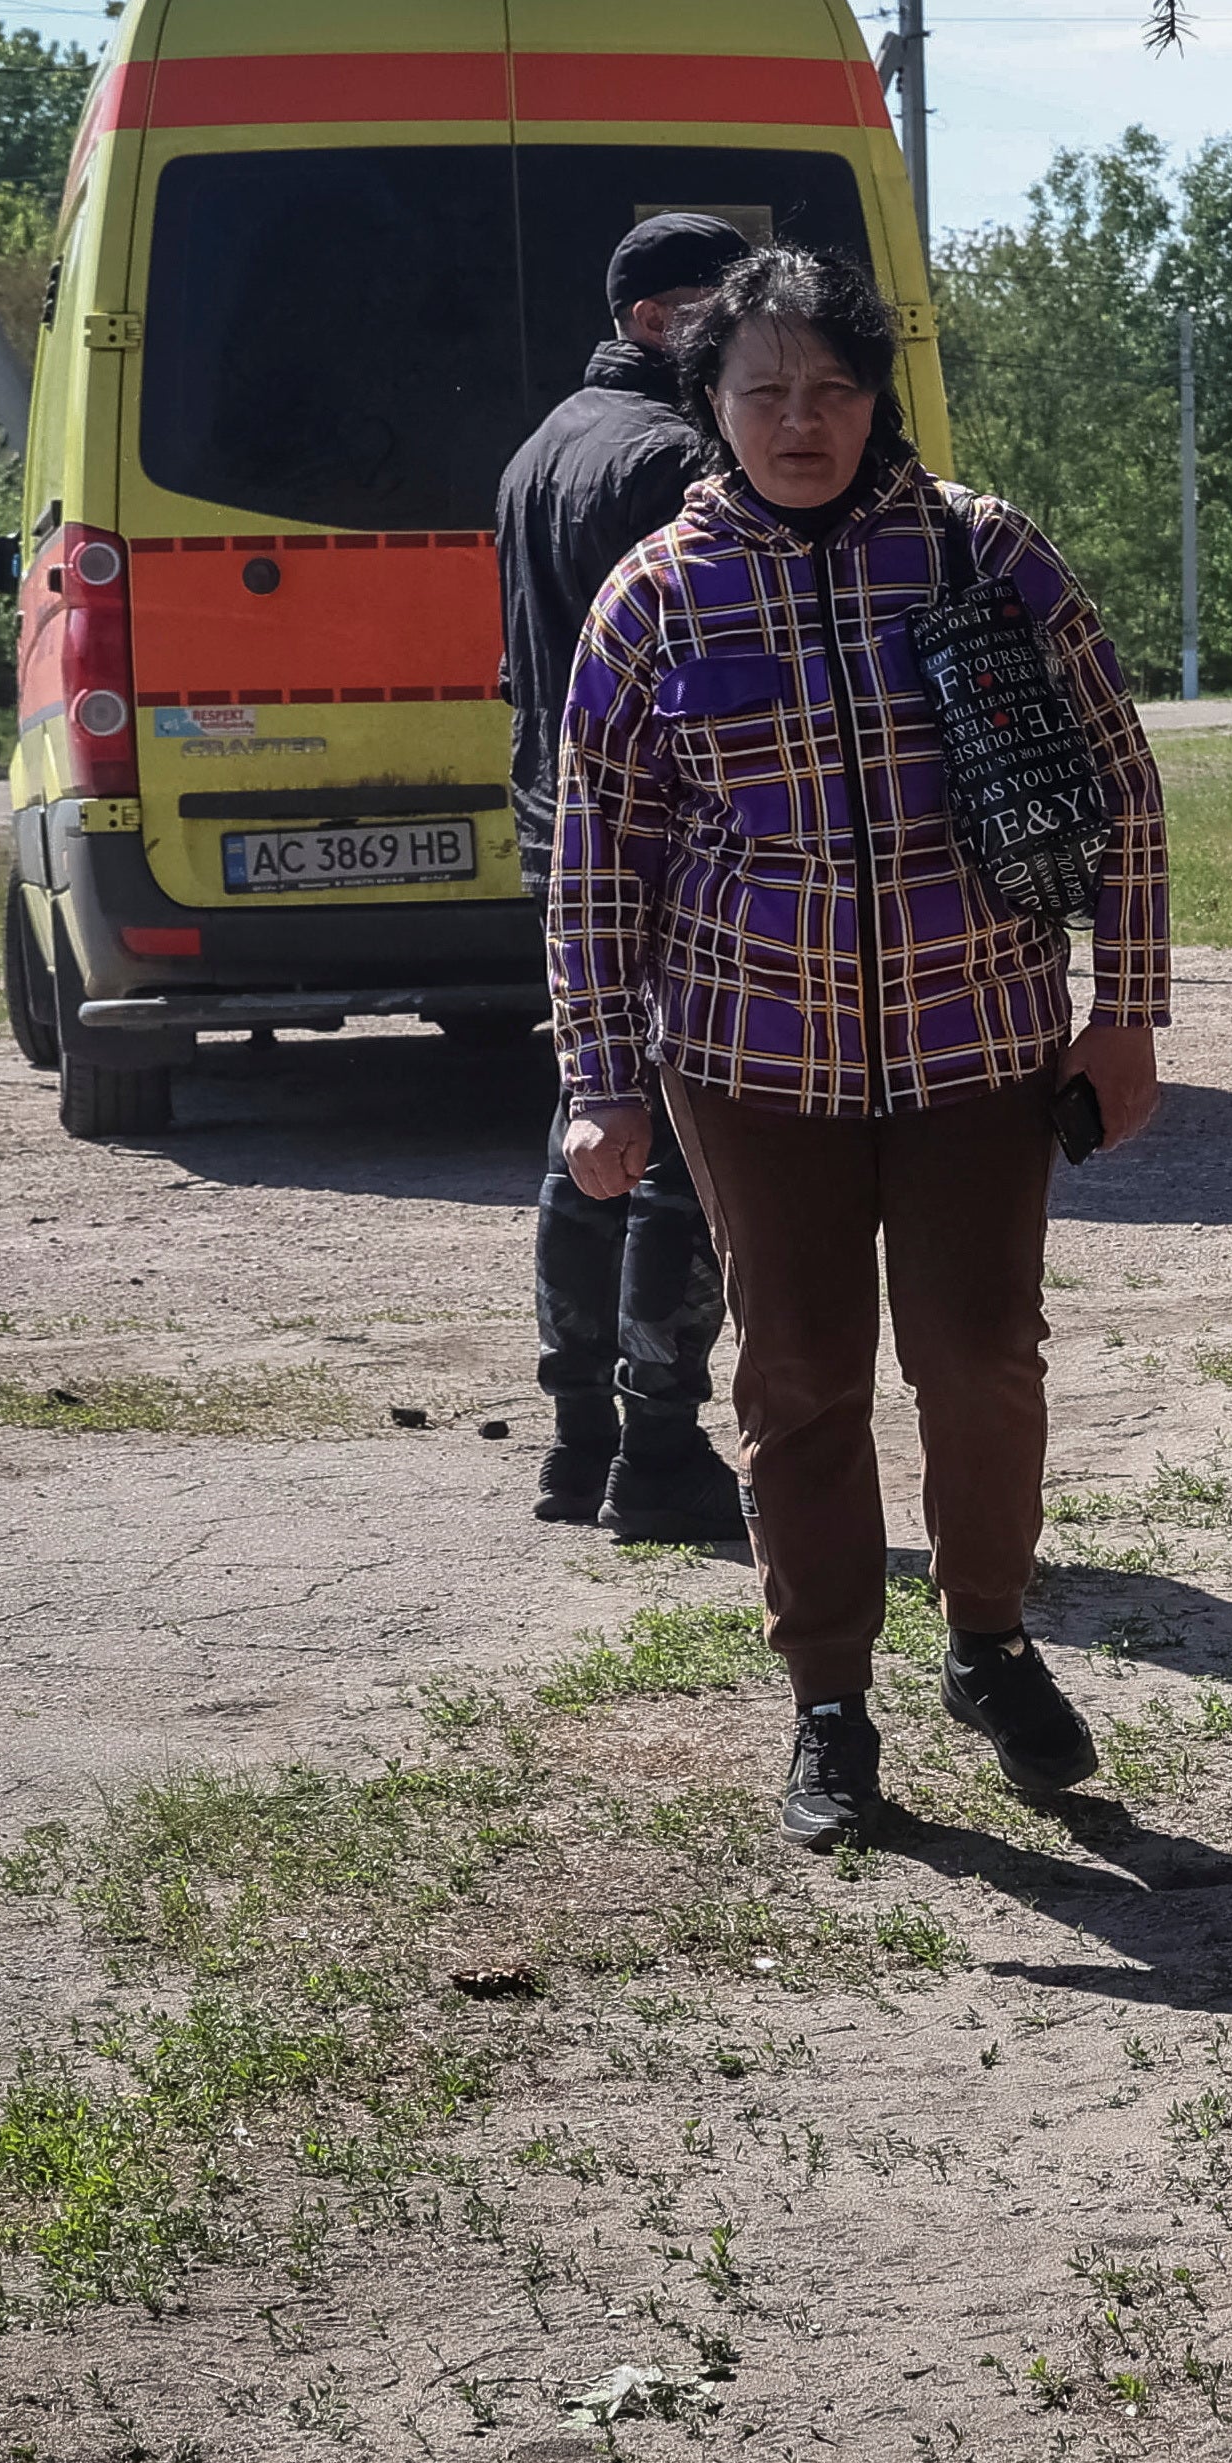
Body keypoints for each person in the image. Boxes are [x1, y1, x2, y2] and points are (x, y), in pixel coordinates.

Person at [544, 245, 1169, 1853]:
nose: (799, 421)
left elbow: (1119, 777)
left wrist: (1127, 1008)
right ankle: (829, 1702)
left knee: (979, 1361)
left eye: (831, 388)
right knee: (799, 1376)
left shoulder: (982, 556)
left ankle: (988, 1641)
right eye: (763, 391)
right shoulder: (655, 600)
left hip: (979, 1042)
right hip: (753, 1062)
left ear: (876, 396)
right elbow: (598, 857)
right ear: (711, 405)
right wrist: (599, 1082)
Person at [496, 209, 753, 1544]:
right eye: (728, 312)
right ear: (665, 315)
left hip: (562, 836)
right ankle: (658, 1445)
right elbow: (699, 682)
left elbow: (516, 670)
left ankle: (574, 1441)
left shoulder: (542, 446)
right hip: (662, 844)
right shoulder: (668, 462)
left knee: (583, 1129)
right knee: (671, 1156)